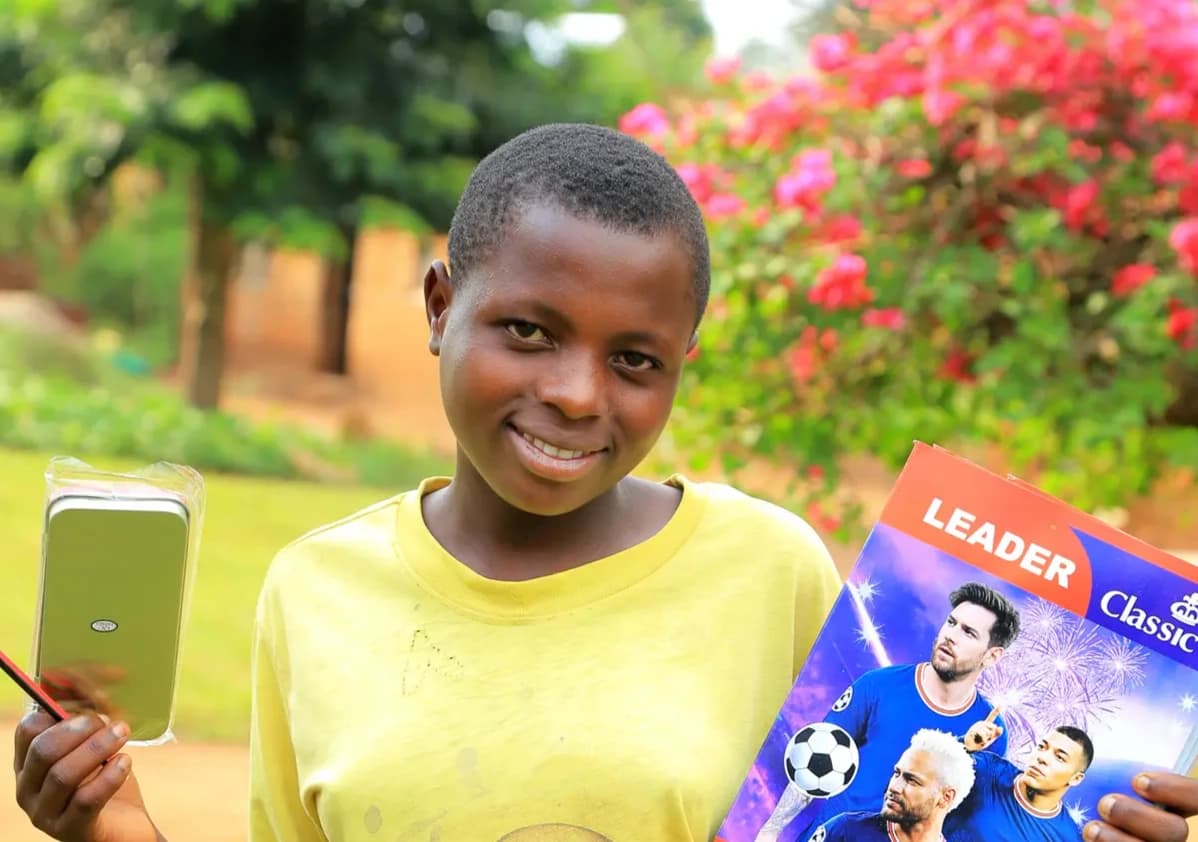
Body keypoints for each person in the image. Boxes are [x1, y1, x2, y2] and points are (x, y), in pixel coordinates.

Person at [10, 124, 1198, 842]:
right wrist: (106, 817)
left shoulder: (769, 568)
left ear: (681, 362)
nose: (580, 394)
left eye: (634, 360)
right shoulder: (314, 590)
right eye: (526, 330)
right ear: (438, 307)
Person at [755, 582, 1020, 840]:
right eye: (951, 623)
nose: (951, 635)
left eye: (968, 632)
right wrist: (771, 830)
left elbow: (964, 822)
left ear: (992, 655)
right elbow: (815, 761)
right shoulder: (879, 686)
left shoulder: (990, 735)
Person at [806, 728, 975, 842]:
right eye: (897, 773)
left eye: (911, 780)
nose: (894, 787)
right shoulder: (847, 831)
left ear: (946, 798)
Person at [946, 720, 1095, 841]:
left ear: (1076, 779)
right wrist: (964, 745)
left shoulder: (1066, 837)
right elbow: (929, 768)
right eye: (1042, 747)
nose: (1042, 758)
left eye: (1059, 757)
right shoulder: (988, 771)